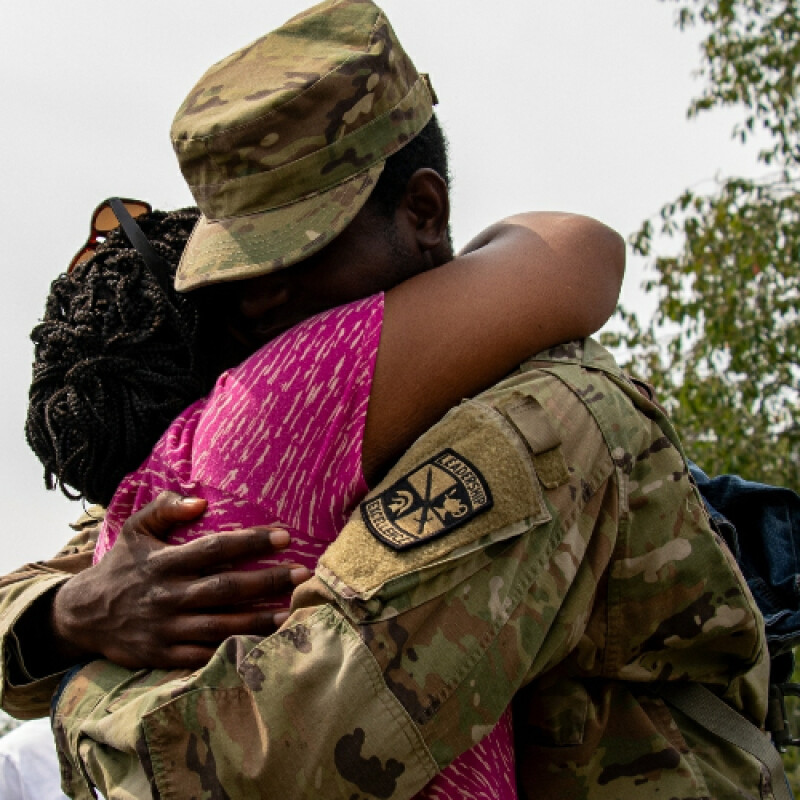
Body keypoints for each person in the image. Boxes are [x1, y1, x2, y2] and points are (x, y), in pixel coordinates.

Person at [0, 1, 775, 798]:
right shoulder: (314, 432)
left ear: (424, 213)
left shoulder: (533, 420)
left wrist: (79, 699)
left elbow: (275, 756)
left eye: (295, 258)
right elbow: (26, 601)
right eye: (238, 274)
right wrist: (73, 612)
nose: (259, 303)